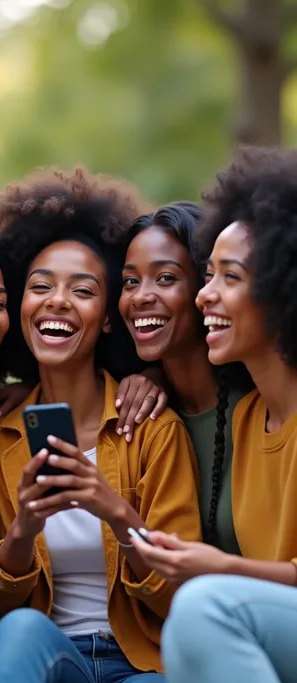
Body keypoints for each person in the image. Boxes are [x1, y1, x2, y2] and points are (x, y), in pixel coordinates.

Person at [0, 166, 202, 683]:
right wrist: (23, 531)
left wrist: (115, 511)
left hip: (141, 665)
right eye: (40, 287)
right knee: (20, 633)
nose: (56, 301)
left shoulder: (151, 426)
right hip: (48, 656)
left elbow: (181, 597)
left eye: (83, 290)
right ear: (21, 309)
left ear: (108, 319)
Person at [127, 146, 297, 683]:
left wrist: (220, 568)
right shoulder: (245, 418)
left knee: (203, 610)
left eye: (230, 277)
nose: (206, 295)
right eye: (209, 275)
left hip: (239, 616)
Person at [118, 202, 252, 551]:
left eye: (166, 278)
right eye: (130, 281)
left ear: (205, 287)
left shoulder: (260, 408)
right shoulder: (137, 413)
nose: (141, 296)